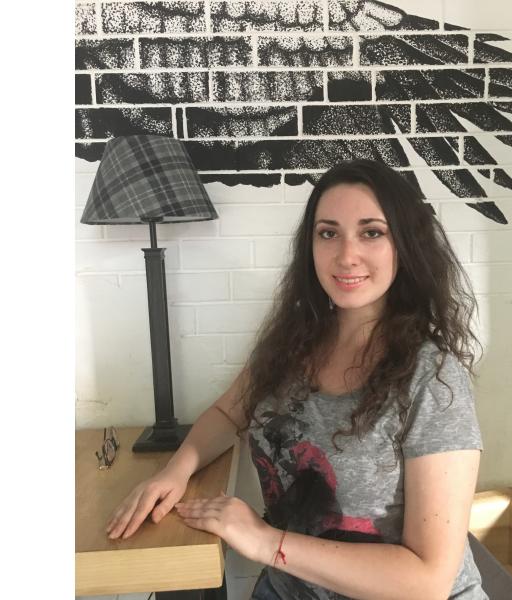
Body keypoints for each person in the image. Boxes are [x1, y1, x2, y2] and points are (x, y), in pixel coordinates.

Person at [106, 159, 487, 600]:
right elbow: (228, 413)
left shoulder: (433, 378)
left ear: (404, 244)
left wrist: (266, 542)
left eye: (371, 232)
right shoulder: (293, 343)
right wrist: (176, 470)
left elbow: (428, 580)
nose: (346, 255)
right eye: (328, 233)